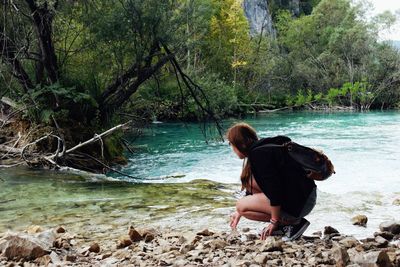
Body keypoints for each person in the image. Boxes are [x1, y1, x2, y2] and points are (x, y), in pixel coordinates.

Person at [226, 122, 317, 241]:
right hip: (307, 196)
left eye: (231, 144)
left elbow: (274, 190)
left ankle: (292, 224)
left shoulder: (258, 155)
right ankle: (288, 223)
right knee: (248, 183)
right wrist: (238, 213)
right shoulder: (264, 148)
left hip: (299, 203)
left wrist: (273, 222)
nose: (231, 148)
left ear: (241, 143)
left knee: (242, 207)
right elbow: (263, 185)